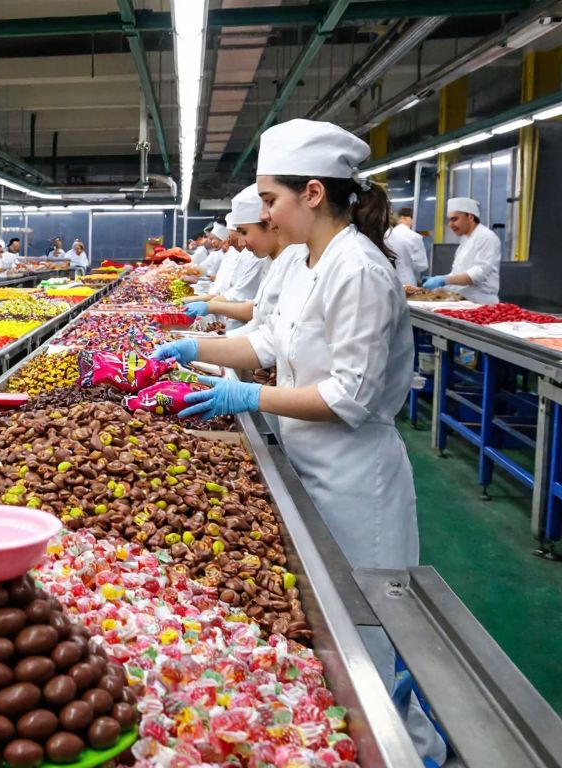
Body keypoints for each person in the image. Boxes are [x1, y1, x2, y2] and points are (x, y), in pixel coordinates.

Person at [151, 118, 446, 763]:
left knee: (367, 627)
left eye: (269, 200)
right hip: (306, 459)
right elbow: (267, 342)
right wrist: (189, 346)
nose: (263, 214)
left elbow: (351, 396)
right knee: (332, 622)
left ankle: (407, 749)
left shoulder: (359, 270)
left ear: (312, 193)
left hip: (354, 477)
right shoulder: (309, 262)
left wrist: (248, 396)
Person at [184, 184, 301, 334]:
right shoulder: (270, 260)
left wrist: (209, 306)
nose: (240, 243)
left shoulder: (279, 260)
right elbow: (260, 313)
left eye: (244, 232)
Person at [421, 197, 500, 304]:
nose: (450, 225)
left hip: (481, 303)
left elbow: (478, 274)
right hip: (464, 302)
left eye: (454, 219)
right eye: (449, 220)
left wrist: (444, 280)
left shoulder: (486, 237)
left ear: (470, 217)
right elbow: (458, 272)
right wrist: (439, 282)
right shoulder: (466, 239)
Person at [386, 207, 429, 283]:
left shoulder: (387, 235)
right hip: (408, 281)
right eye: (412, 218)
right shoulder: (414, 236)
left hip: (389, 279)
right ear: (404, 218)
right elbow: (421, 266)